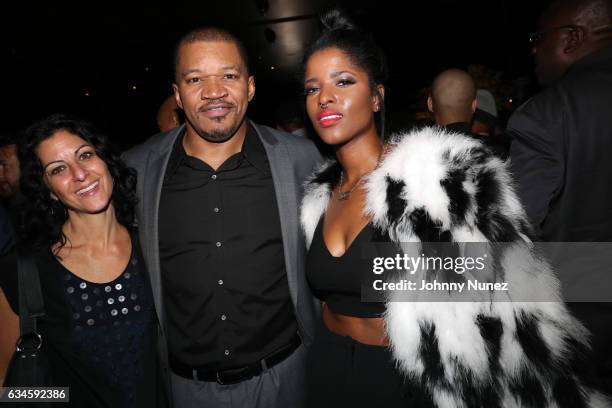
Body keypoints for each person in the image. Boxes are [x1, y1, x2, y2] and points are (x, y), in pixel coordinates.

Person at [300, 8, 609, 407]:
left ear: (376, 96)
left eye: (343, 81)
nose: (325, 96)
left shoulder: (435, 181)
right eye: (311, 88)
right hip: (328, 367)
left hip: (407, 380)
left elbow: (507, 286)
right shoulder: (318, 195)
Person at [122, 27, 322, 408]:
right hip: (185, 390)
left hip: (287, 380)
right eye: (196, 79)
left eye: (228, 76)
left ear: (249, 87)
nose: (214, 91)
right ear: (177, 95)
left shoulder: (302, 159)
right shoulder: (136, 171)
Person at [0, 114, 166, 407]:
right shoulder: (24, 271)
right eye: (58, 169)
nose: (79, 174)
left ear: (105, 161)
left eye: (85, 155)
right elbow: (7, 390)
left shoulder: (152, 246)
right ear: (48, 190)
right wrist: (65, 397)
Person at [507, 0, 612, 389]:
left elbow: (511, 236)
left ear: (572, 38)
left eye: (538, 38)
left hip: (583, 336)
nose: (533, 49)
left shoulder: (550, 113)